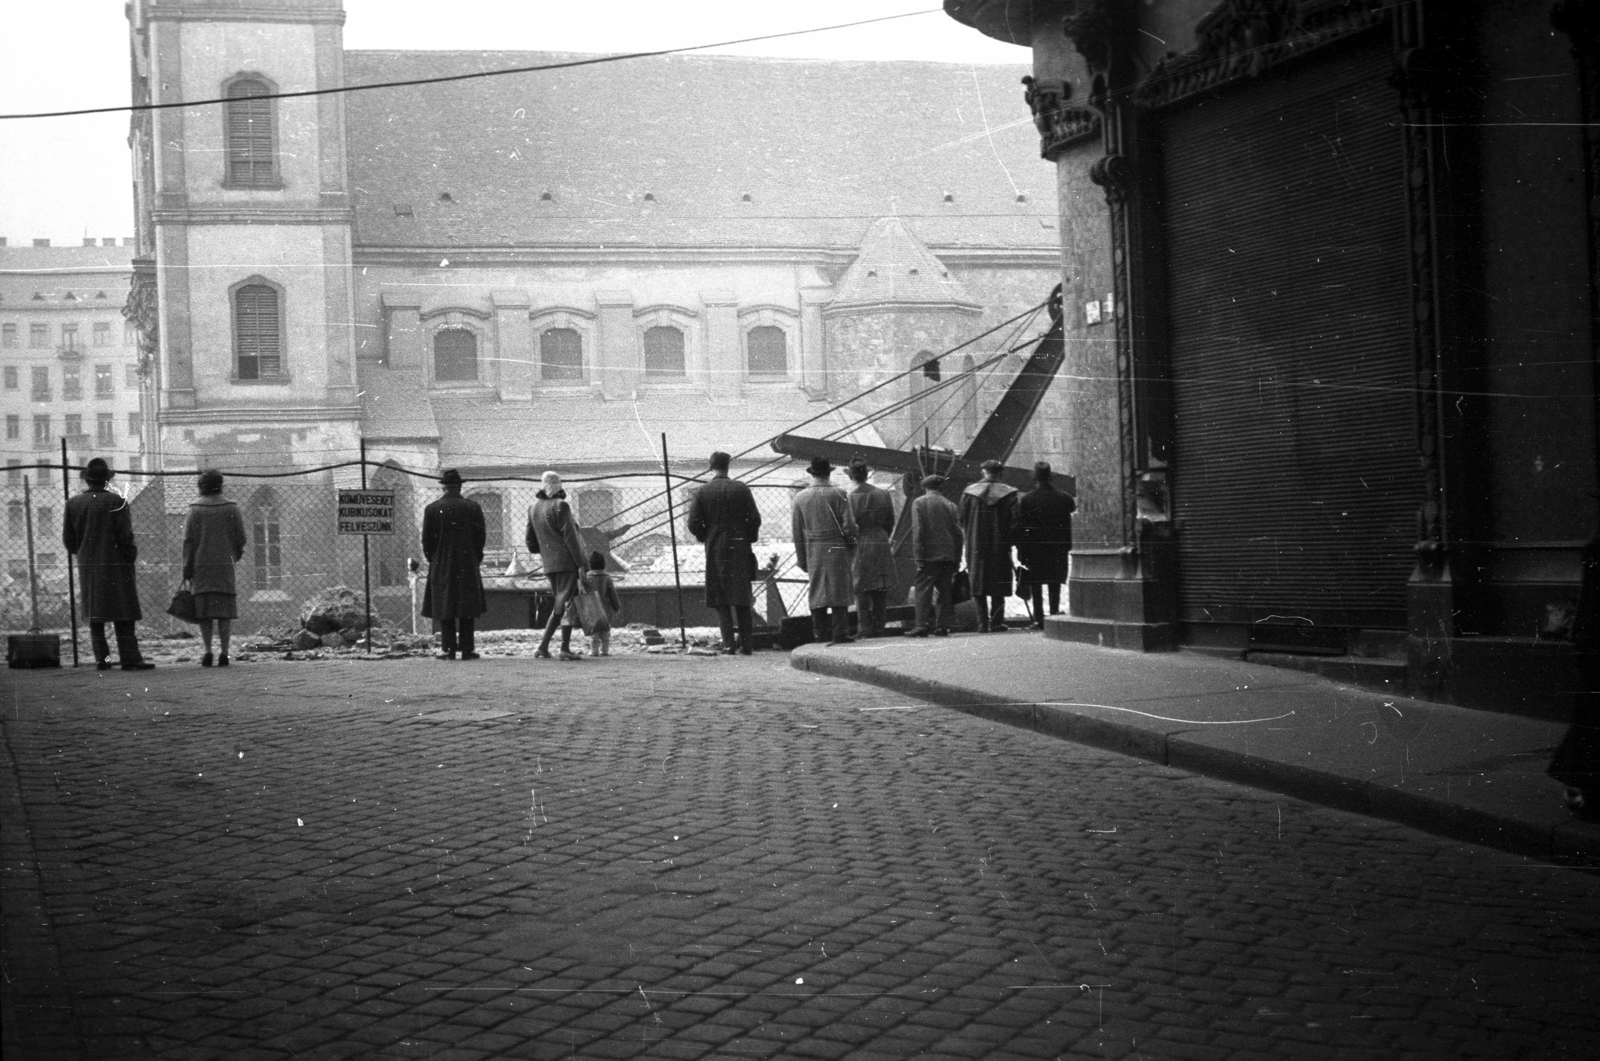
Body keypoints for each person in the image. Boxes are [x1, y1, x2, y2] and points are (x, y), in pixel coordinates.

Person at [63, 457, 153, 670]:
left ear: (87, 480)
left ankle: (102, 659)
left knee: (95, 615)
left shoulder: (73, 503)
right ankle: (130, 659)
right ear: (106, 481)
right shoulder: (116, 501)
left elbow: (69, 540)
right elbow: (126, 537)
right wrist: (129, 557)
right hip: (117, 565)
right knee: (124, 613)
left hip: (88, 565)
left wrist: (84, 553)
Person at [687, 450, 763, 654]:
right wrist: (748, 536)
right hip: (740, 546)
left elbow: (693, 523)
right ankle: (747, 645)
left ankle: (728, 644)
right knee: (742, 595)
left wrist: (705, 535)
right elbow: (755, 519)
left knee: (721, 598)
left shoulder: (702, 492)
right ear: (728, 466)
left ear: (711, 467)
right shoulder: (742, 489)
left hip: (715, 547)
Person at [181, 468, 247, 667]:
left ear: (201, 486)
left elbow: (188, 542)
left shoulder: (194, 509)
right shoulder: (232, 508)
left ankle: (208, 651)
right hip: (225, 566)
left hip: (201, 566)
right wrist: (234, 555)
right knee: (224, 611)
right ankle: (225, 653)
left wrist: (187, 567)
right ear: (220, 485)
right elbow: (241, 538)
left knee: (204, 611)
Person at [421, 469, 488, 661]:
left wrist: (434, 559)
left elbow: (427, 541)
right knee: (466, 606)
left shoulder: (432, 509)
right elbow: (480, 538)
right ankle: (467, 649)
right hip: (467, 562)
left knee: (445, 605)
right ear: (460, 486)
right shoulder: (473, 507)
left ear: (443, 487)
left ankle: (448, 649)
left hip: (441, 562)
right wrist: (475, 558)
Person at [790, 456, 858, 645]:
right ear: (829, 473)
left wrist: (802, 558)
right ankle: (840, 633)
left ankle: (820, 633)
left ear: (812, 474)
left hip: (814, 549)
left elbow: (797, 532)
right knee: (839, 588)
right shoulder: (839, 493)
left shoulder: (800, 498)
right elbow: (850, 527)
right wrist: (851, 546)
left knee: (817, 589)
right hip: (836, 546)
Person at [527, 470, 587, 660]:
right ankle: (563, 648)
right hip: (567, 563)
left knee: (560, 604)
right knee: (566, 605)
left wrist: (547, 551)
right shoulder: (561, 506)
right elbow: (571, 538)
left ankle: (544, 647)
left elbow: (530, 542)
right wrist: (582, 564)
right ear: (559, 487)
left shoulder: (533, 508)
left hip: (550, 564)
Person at [960, 458, 1021, 632]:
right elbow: (1015, 522)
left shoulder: (969, 493)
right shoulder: (1009, 494)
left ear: (983, 472)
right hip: (999, 545)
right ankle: (997, 621)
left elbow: (961, 519)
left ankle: (982, 623)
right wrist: (1009, 541)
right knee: (998, 581)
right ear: (1000, 473)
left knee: (977, 583)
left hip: (975, 544)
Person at [1015, 460, 1075, 629]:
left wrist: (1022, 551)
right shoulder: (1065, 498)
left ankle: (1038, 619)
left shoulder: (1026, 500)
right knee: (1054, 582)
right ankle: (1055, 616)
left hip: (1035, 550)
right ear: (1051, 477)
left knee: (1036, 584)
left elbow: (1022, 528)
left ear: (1035, 478)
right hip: (1058, 548)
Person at [905, 474, 962, 638]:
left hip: (929, 555)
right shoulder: (950, 505)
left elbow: (918, 531)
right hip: (948, 555)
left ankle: (921, 626)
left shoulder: (919, 503)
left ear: (925, 487)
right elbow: (958, 534)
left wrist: (918, 556)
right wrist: (956, 558)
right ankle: (942, 626)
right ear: (940, 487)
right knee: (945, 591)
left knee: (923, 590)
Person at [846, 457, 896, 638]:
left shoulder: (850, 497)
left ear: (852, 477)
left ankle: (864, 628)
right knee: (880, 586)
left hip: (860, 542)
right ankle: (880, 627)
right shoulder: (883, 494)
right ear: (866, 475)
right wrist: (882, 536)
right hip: (880, 540)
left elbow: (849, 525)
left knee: (860, 587)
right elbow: (891, 521)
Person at [574, 550, 622, 658]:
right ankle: (604, 651)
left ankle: (594, 651)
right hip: (605, 611)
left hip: (591, 610)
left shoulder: (586, 577)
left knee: (593, 634)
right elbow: (613, 594)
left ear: (590, 564)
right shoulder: (607, 578)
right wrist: (616, 607)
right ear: (603, 564)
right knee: (605, 633)